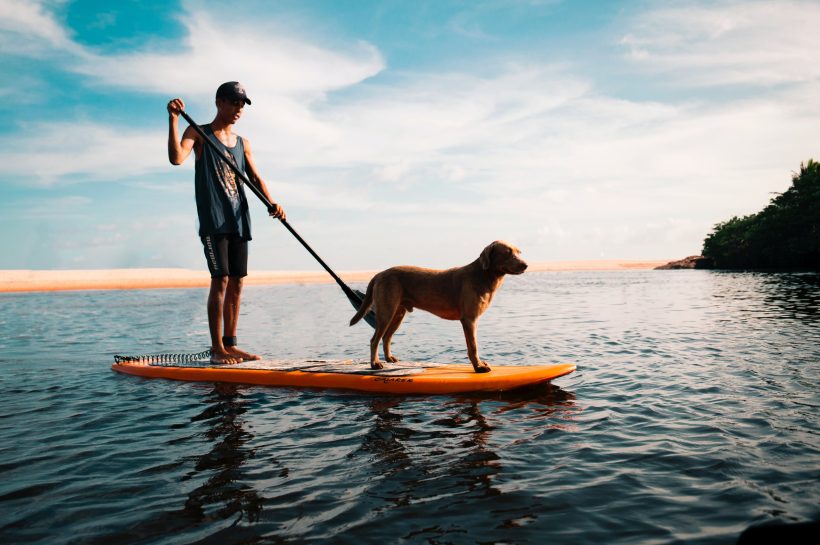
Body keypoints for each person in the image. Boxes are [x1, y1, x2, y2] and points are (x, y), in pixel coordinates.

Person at [167, 82, 285, 364]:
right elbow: (176, 158)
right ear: (220, 102)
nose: (239, 109)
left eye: (243, 105)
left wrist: (272, 203)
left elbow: (255, 177)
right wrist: (173, 120)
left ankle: (231, 344)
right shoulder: (198, 132)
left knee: (237, 283)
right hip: (214, 220)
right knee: (219, 280)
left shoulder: (244, 143)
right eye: (235, 103)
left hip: (239, 218)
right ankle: (217, 348)